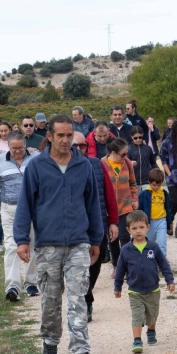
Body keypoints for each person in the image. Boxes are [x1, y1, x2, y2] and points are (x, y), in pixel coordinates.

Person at [14, 114, 102, 354]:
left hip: (78, 242)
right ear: (49, 136)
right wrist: (22, 240)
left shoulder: (83, 165)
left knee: (78, 297)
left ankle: (80, 352)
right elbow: (25, 207)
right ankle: (50, 340)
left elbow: (92, 205)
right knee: (51, 298)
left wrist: (95, 239)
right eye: (60, 135)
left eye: (69, 135)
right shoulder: (36, 167)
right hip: (48, 244)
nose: (66, 140)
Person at [0, 130, 40, 302]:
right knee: (10, 245)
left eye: (21, 147)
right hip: (9, 209)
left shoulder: (35, 159)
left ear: (26, 145)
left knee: (33, 244)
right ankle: (12, 286)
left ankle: (31, 282)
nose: (18, 151)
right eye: (14, 148)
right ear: (8, 146)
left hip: (33, 210)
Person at [73, 132, 120, 323]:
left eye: (82, 146)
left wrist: (113, 221)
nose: (79, 149)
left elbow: (109, 193)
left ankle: (87, 293)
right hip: (74, 226)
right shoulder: (60, 168)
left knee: (95, 262)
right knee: (77, 264)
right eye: (75, 146)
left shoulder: (96, 164)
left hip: (97, 223)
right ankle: (84, 301)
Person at [114, 210, 175, 353]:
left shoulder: (153, 247)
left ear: (148, 227)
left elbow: (164, 265)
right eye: (134, 228)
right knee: (137, 316)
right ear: (128, 230)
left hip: (153, 289)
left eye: (141, 227)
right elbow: (120, 270)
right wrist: (117, 287)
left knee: (152, 314)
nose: (138, 231)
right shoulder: (126, 250)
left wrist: (169, 280)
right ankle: (137, 340)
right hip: (134, 290)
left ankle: (151, 331)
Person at [102, 138, 139, 275]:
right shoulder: (102, 164)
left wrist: (134, 199)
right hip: (109, 209)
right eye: (123, 154)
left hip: (125, 207)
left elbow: (133, 184)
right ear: (113, 152)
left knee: (124, 236)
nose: (126, 157)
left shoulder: (127, 163)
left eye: (126, 153)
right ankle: (116, 265)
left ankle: (126, 265)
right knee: (112, 237)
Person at [138, 168, 172, 258]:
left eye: (159, 185)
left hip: (162, 221)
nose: (156, 187)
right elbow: (139, 209)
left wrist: (170, 222)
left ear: (162, 183)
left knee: (162, 243)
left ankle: (162, 263)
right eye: (154, 185)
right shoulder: (144, 194)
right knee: (149, 243)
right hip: (149, 222)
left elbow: (168, 208)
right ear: (149, 181)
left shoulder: (164, 193)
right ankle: (149, 261)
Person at [127, 125, 158, 191]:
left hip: (147, 181)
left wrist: (157, 171)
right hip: (134, 182)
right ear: (131, 137)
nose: (138, 139)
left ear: (142, 136)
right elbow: (126, 165)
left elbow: (153, 162)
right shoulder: (129, 150)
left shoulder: (148, 149)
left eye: (140, 137)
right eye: (135, 138)